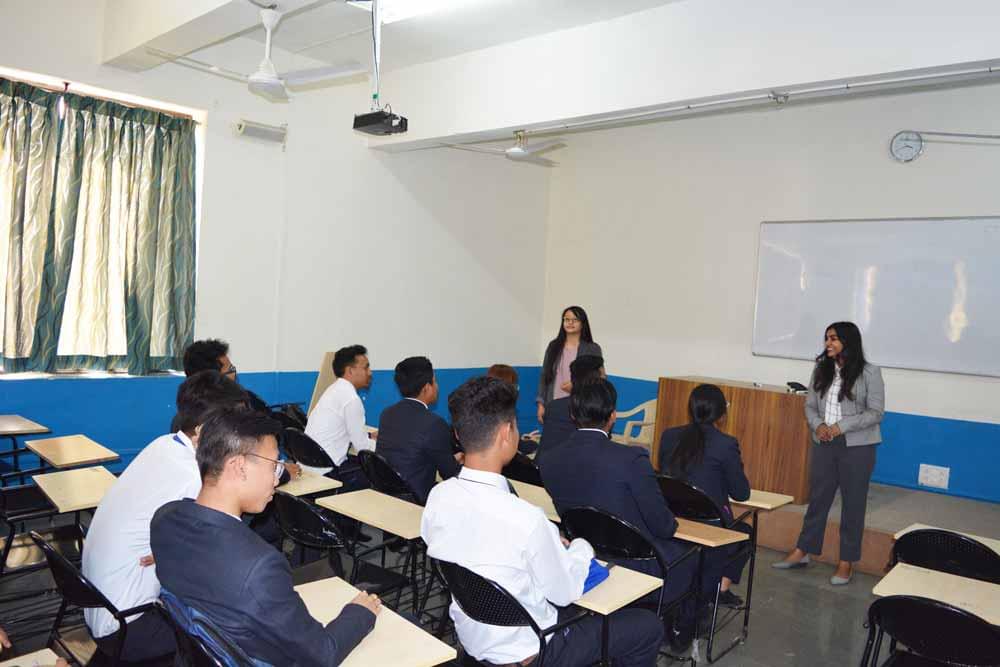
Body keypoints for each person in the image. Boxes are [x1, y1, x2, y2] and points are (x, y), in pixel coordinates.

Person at [422, 377, 663, 667]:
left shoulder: (438, 497)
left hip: (473, 639)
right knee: (647, 627)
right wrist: (580, 548)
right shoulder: (527, 520)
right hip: (536, 649)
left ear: (459, 435)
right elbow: (564, 593)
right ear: (506, 433)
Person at [151, 408, 381, 665]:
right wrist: (359, 612)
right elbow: (324, 654)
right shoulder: (260, 567)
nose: (276, 479)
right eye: (273, 466)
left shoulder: (164, 518)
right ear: (238, 466)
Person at [82, 371, 252, 662]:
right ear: (203, 430)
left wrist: (170, 549)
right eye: (233, 428)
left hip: (98, 604)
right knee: (239, 628)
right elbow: (224, 562)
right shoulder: (194, 477)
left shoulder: (163, 444)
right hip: (130, 625)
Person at [538, 377, 698, 652]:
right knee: (693, 554)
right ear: (612, 416)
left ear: (573, 414)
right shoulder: (631, 460)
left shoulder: (549, 459)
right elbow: (663, 526)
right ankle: (680, 631)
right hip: (639, 562)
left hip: (587, 554)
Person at [773, 321, 885, 585]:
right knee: (818, 499)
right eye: (826, 338)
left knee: (853, 505)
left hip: (857, 447)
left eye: (834, 338)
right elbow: (810, 406)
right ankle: (803, 550)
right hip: (824, 443)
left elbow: (876, 412)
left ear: (848, 341)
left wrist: (839, 427)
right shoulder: (821, 369)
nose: (828, 343)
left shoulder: (870, 372)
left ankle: (846, 562)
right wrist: (820, 426)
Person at [659, 384, 752, 607]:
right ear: (722, 413)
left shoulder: (669, 436)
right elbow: (741, 494)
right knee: (746, 533)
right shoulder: (726, 444)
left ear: (690, 409)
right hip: (712, 526)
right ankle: (721, 588)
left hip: (672, 520)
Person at [376, 356, 463, 504]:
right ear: (426, 388)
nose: (437, 386)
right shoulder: (434, 423)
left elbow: (409, 455)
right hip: (417, 498)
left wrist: (450, 459)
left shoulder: (387, 414)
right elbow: (449, 474)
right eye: (435, 381)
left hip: (386, 493)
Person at [304, 344, 376, 489]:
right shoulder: (351, 399)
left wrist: (367, 436)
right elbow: (362, 448)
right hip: (328, 473)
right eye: (366, 368)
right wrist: (388, 444)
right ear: (350, 371)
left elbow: (342, 429)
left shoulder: (334, 389)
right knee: (379, 477)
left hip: (309, 466)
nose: (370, 372)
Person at [535, 354, 605, 466]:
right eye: (603, 376)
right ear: (596, 381)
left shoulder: (554, 405)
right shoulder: (594, 409)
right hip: (570, 471)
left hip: (541, 467)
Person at [536, 306, 602, 423]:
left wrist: (577, 386)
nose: (570, 323)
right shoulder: (553, 346)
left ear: (583, 323)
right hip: (553, 404)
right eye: (566, 319)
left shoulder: (592, 348)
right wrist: (541, 404)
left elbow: (600, 377)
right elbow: (545, 376)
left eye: (575, 320)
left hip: (579, 406)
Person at [183, 339, 268, 413]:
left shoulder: (185, 413)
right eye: (231, 369)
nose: (235, 373)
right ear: (214, 380)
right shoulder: (244, 406)